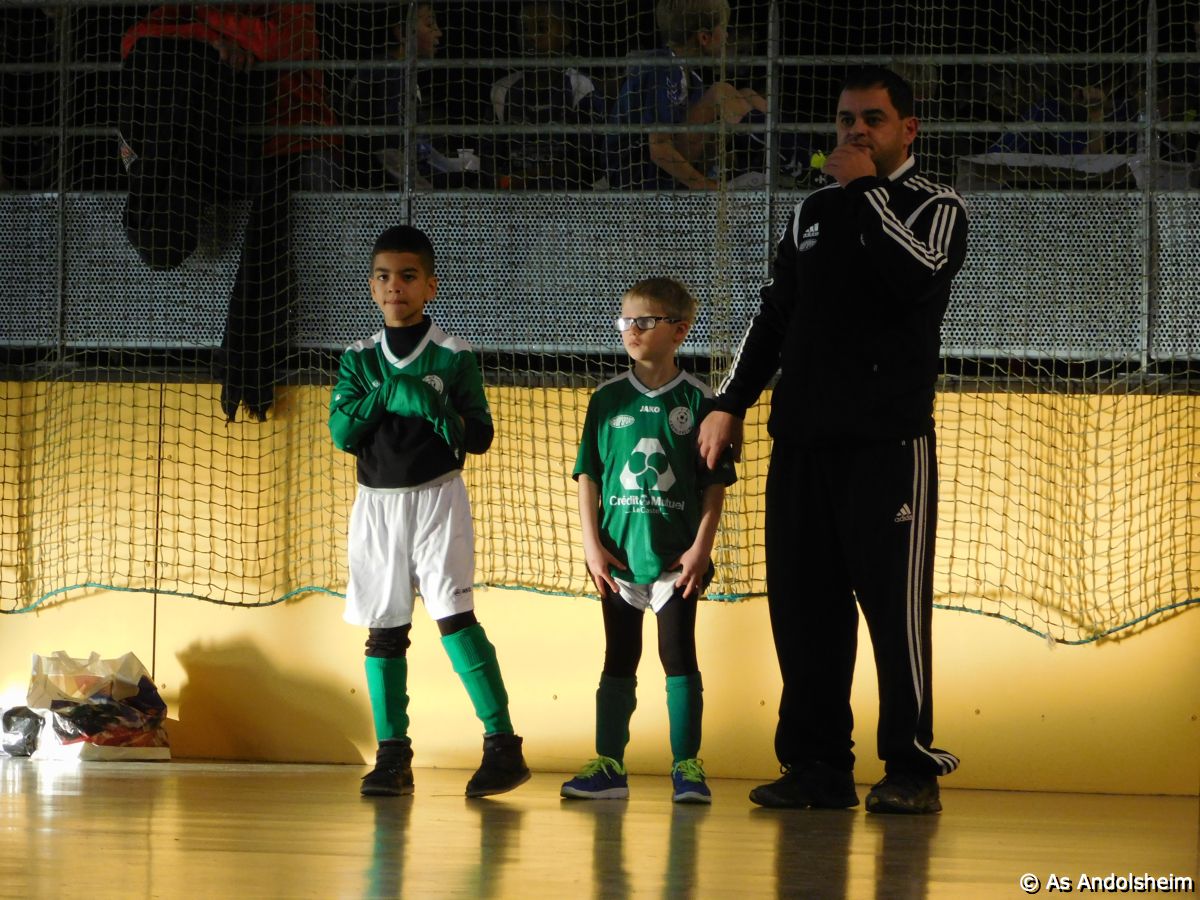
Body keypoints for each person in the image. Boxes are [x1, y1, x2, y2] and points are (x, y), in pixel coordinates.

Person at [697, 67, 967, 815]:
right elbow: (774, 315)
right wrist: (729, 402)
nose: (855, 131)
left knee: (893, 612)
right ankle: (817, 765)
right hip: (802, 443)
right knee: (804, 609)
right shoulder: (811, 210)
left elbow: (915, 277)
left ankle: (910, 768)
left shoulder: (936, 206)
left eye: (872, 119)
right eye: (846, 119)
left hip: (887, 445)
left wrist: (865, 191)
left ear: (908, 129)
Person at [328, 225, 530, 799]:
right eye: (384, 276)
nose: (395, 286)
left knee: (455, 619)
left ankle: (503, 747)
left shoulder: (454, 355)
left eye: (408, 276)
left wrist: (439, 407)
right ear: (372, 288)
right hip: (376, 508)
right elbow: (342, 432)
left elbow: (480, 435)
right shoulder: (358, 358)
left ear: (430, 286)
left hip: (439, 499)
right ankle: (392, 757)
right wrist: (385, 395)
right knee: (384, 632)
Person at [117, 3, 338, 422]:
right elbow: (134, 38)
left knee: (308, 249)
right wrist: (214, 37)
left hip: (301, 141)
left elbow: (279, 43)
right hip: (256, 148)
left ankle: (313, 350)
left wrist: (203, 20)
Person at [562, 277, 736, 804]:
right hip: (617, 560)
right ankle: (609, 765)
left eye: (644, 321)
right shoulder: (606, 399)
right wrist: (592, 547)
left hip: (676, 562)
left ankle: (687, 767)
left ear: (679, 331)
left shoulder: (700, 401)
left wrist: (700, 550)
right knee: (619, 657)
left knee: (678, 656)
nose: (631, 330)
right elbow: (589, 475)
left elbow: (713, 485)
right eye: (626, 321)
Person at [607, 0, 767, 190]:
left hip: (663, 172)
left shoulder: (692, 79)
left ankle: (786, 156)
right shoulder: (661, 68)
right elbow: (658, 148)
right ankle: (785, 155)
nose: (727, 36)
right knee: (720, 93)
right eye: (724, 28)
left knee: (747, 95)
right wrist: (709, 189)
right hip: (636, 176)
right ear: (704, 37)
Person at [489, 1, 607, 190]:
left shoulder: (581, 88)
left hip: (568, 199)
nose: (530, 37)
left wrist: (530, 176)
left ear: (565, 34)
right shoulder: (502, 90)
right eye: (524, 29)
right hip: (514, 200)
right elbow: (489, 160)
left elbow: (589, 165)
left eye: (541, 29)